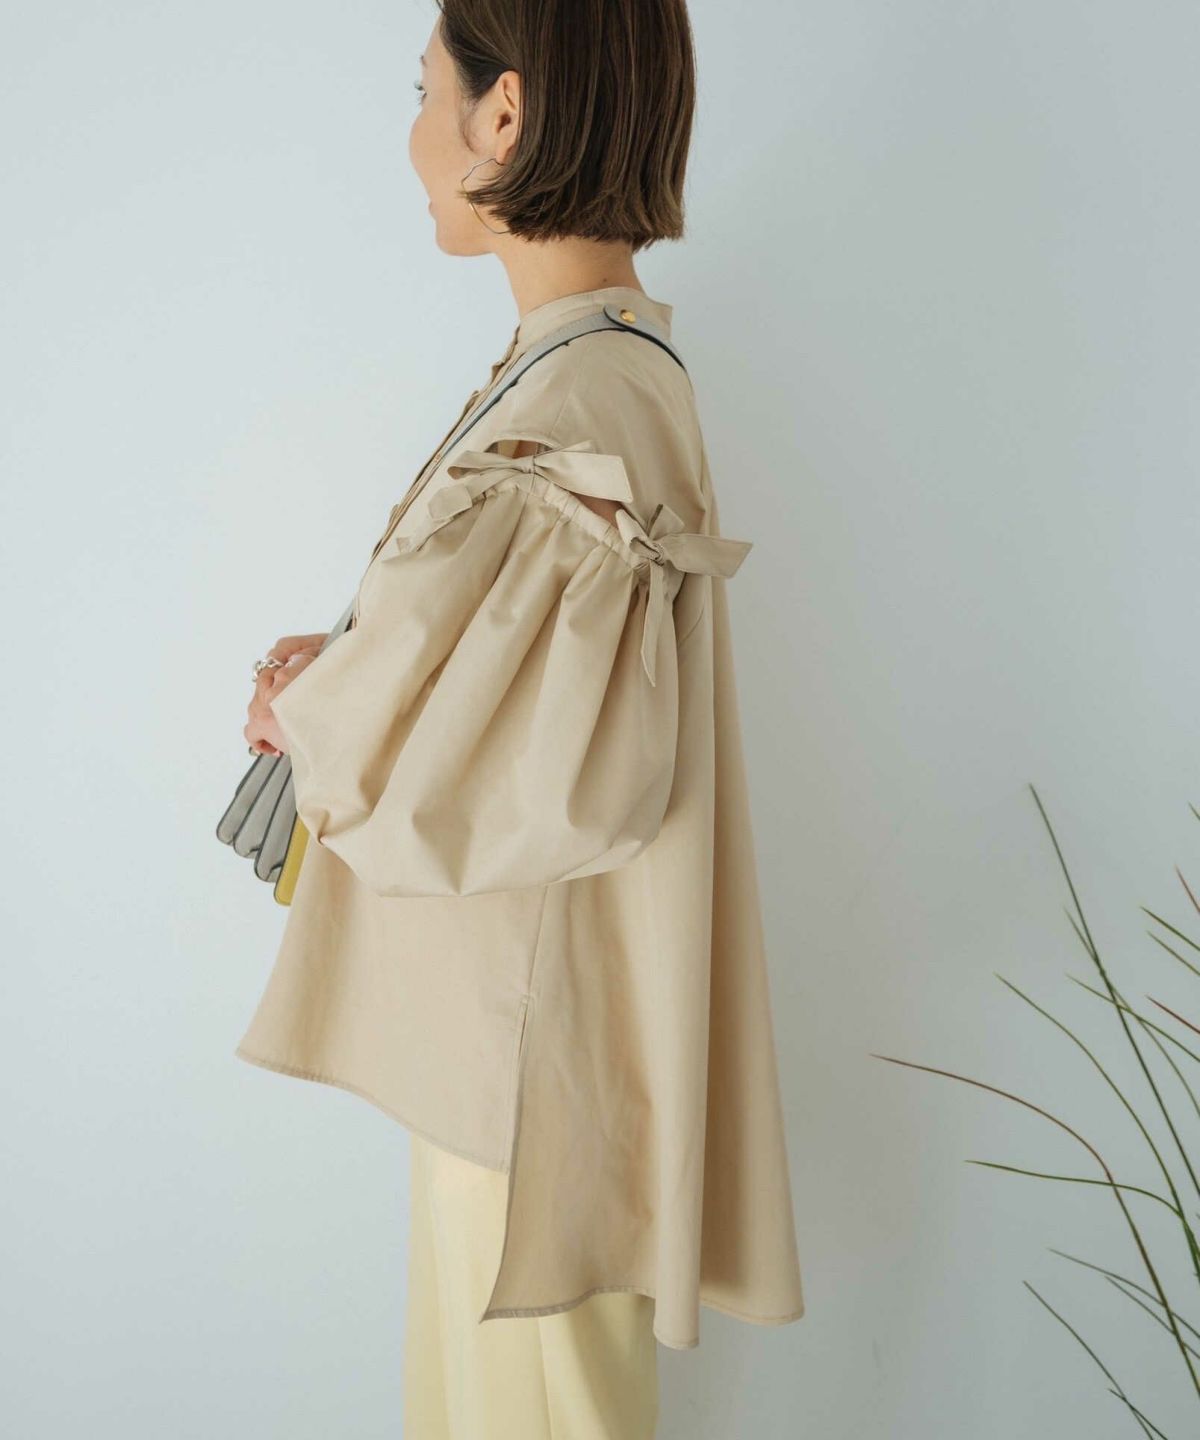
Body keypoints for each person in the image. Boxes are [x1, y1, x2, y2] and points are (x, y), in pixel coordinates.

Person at [235, 2, 805, 1435]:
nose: (412, 134)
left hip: (529, 1074)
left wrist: (322, 710)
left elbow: (533, 769)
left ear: (504, 114)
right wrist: (353, 663)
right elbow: (521, 682)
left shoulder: (589, 387)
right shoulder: (584, 367)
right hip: (513, 1047)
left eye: (424, 90)